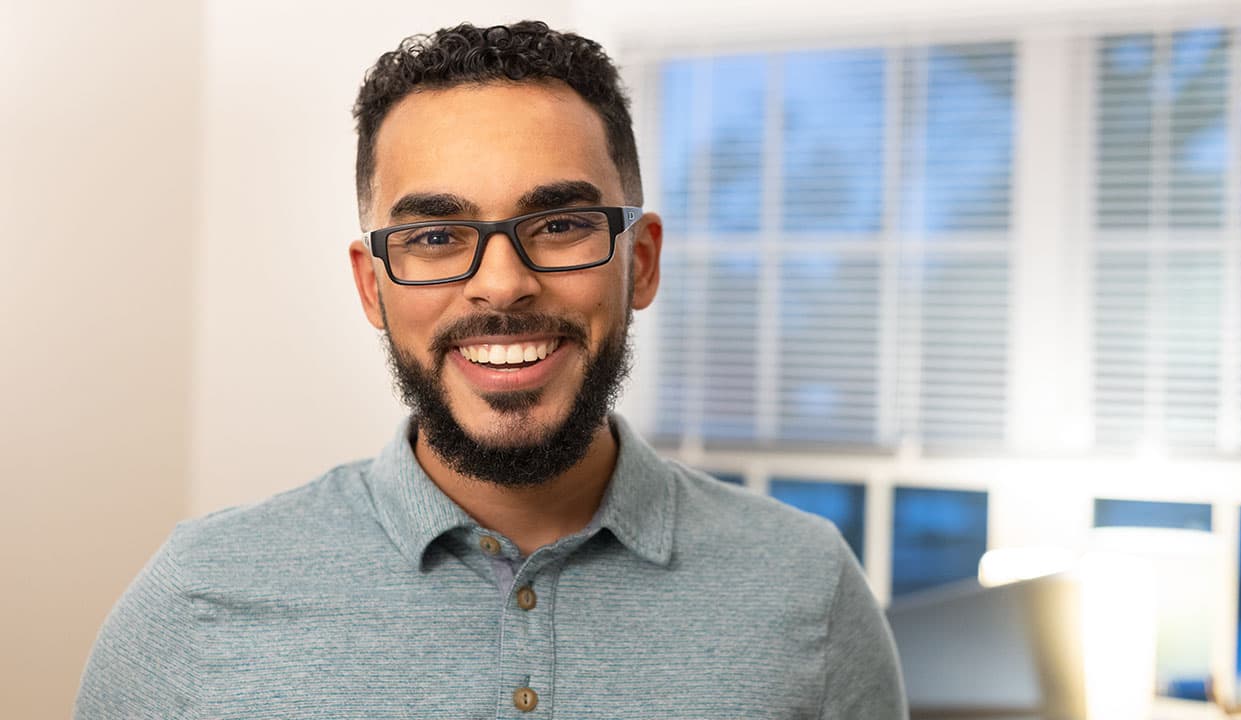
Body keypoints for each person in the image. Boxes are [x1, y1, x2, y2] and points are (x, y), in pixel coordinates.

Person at [75, 20, 907, 719]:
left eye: (560, 224)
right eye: (435, 236)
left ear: (641, 262)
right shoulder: (196, 599)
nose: (503, 283)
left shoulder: (810, 587)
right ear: (373, 287)